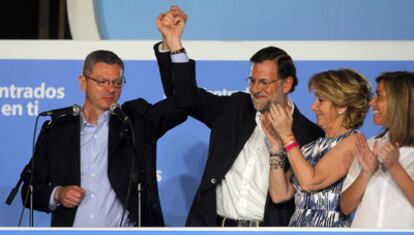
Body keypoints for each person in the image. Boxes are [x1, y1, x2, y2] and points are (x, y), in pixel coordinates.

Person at [155, 6, 324, 227]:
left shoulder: (309, 135)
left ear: (287, 84)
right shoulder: (235, 108)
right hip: (214, 227)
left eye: (264, 82)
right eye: (252, 81)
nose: (255, 89)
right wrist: (174, 44)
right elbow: (184, 97)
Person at [20, 46, 197, 226]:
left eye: (117, 82)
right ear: (83, 82)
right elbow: (29, 191)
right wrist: (58, 194)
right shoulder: (57, 129)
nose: (111, 89)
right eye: (103, 82)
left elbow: (183, 103)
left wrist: (174, 46)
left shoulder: (135, 121)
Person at [263, 69, 371, 227]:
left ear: (341, 106)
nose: (313, 107)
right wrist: (276, 146)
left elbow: (310, 182)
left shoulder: (353, 142)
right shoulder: (310, 147)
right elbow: (280, 194)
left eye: (321, 100)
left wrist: (287, 136)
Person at [340, 71, 414, 228]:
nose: (372, 103)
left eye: (379, 96)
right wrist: (366, 173)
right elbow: (346, 207)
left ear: (400, 101)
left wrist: (395, 167)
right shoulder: (370, 146)